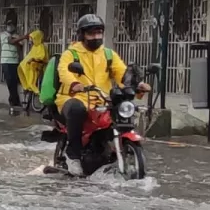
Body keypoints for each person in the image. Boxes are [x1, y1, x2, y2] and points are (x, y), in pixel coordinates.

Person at [56, 14, 149, 176]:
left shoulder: (108, 54)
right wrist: (75, 84)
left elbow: (121, 73)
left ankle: (113, 149)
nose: (96, 37)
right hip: (74, 98)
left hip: (101, 99)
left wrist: (137, 84)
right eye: (91, 33)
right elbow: (64, 71)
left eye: (99, 33)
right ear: (82, 35)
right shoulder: (71, 54)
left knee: (120, 111)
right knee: (76, 109)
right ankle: (73, 155)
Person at [0, 18, 29, 115]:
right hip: (6, 61)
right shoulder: (3, 34)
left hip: (14, 61)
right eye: (9, 25)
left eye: (12, 25)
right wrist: (23, 37)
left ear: (15, 26)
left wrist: (19, 39)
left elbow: (20, 45)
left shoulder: (17, 35)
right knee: (9, 81)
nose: (10, 27)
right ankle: (13, 101)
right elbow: (10, 41)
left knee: (14, 81)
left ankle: (14, 101)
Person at [17, 29, 48, 108]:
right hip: (30, 65)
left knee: (31, 77)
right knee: (21, 67)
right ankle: (27, 87)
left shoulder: (41, 46)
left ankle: (34, 90)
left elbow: (42, 57)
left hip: (36, 66)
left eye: (33, 39)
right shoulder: (34, 47)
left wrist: (34, 59)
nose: (31, 41)